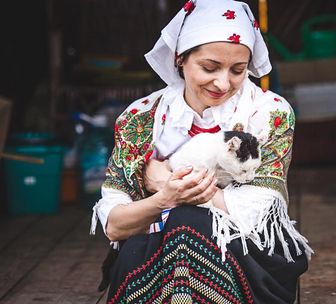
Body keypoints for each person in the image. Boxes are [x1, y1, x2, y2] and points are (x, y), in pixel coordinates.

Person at [89, 0, 313, 303]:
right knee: (181, 223)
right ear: (180, 58)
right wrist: (165, 198)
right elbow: (115, 225)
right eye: (209, 67)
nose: (223, 83)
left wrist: (171, 183)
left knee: (188, 223)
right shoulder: (139, 119)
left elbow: (257, 213)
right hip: (154, 254)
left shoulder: (270, 112)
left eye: (238, 70)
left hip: (247, 257)